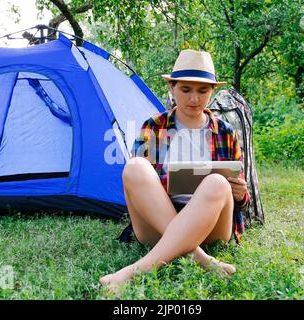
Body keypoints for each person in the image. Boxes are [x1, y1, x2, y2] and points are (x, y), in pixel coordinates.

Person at [100, 49, 250, 291]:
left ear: (212, 91)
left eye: (203, 91)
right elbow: (140, 188)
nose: (194, 99)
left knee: (217, 183)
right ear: (172, 88)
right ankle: (202, 259)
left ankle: (134, 271)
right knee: (135, 166)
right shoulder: (155, 127)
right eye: (186, 89)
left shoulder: (224, 132)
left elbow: (242, 203)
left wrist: (241, 195)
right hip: (158, 222)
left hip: (210, 225)